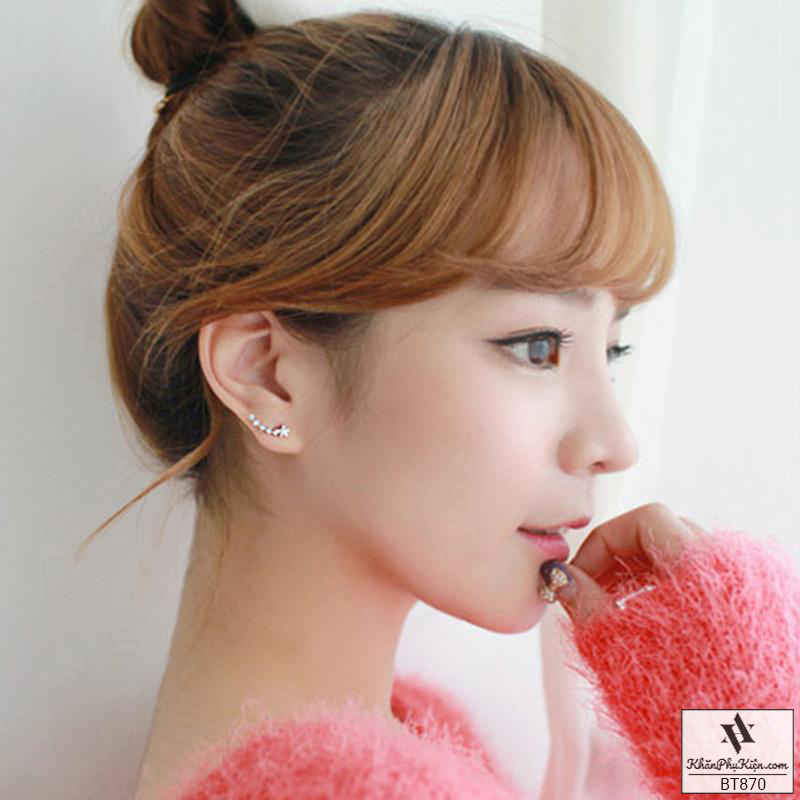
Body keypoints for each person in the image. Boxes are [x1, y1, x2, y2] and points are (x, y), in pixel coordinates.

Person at [75, 2, 800, 798]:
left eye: (612, 350)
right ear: (270, 375)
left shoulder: (400, 742)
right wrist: (742, 715)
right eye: (538, 346)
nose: (614, 442)